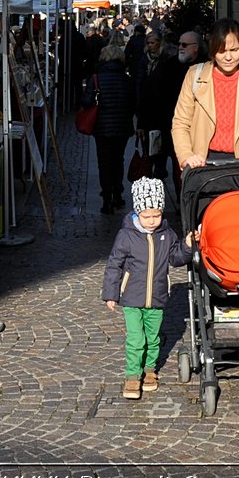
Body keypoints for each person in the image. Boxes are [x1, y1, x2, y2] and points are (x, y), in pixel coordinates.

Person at [102, 177, 189, 400]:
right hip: (131, 298)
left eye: (157, 215)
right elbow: (114, 264)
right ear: (137, 213)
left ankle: (150, 370)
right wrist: (111, 294)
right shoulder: (126, 235)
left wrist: (187, 247)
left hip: (157, 298)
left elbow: (175, 258)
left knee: (153, 337)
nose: (152, 221)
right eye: (146, 216)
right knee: (135, 338)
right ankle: (132, 375)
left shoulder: (167, 235)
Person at [171, 18, 239, 173]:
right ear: (212, 49)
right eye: (221, 51)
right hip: (203, 164)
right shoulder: (195, 75)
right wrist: (186, 156)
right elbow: (181, 122)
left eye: (234, 50)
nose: (228, 57)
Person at [84, 40, 137, 213]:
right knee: (118, 160)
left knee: (104, 162)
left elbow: (86, 101)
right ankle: (118, 193)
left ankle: (107, 198)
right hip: (122, 126)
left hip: (102, 127)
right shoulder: (127, 79)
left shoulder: (96, 78)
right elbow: (134, 103)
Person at [134, 28, 188, 195]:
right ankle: (180, 197)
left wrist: (142, 123)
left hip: (157, 124)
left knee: (158, 161)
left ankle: (158, 196)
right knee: (176, 164)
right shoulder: (183, 74)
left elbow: (145, 97)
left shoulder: (158, 74)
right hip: (171, 124)